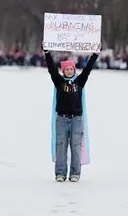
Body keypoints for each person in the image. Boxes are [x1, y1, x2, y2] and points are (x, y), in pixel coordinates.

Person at [42, 44, 100, 182]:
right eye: (66, 69)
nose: (68, 71)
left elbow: (87, 69)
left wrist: (95, 55)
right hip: (61, 119)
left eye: (71, 69)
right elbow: (51, 69)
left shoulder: (80, 81)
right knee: (61, 146)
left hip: (77, 120)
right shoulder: (59, 82)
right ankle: (60, 173)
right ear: (63, 71)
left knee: (76, 146)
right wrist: (47, 53)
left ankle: (75, 173)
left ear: (74, 70)